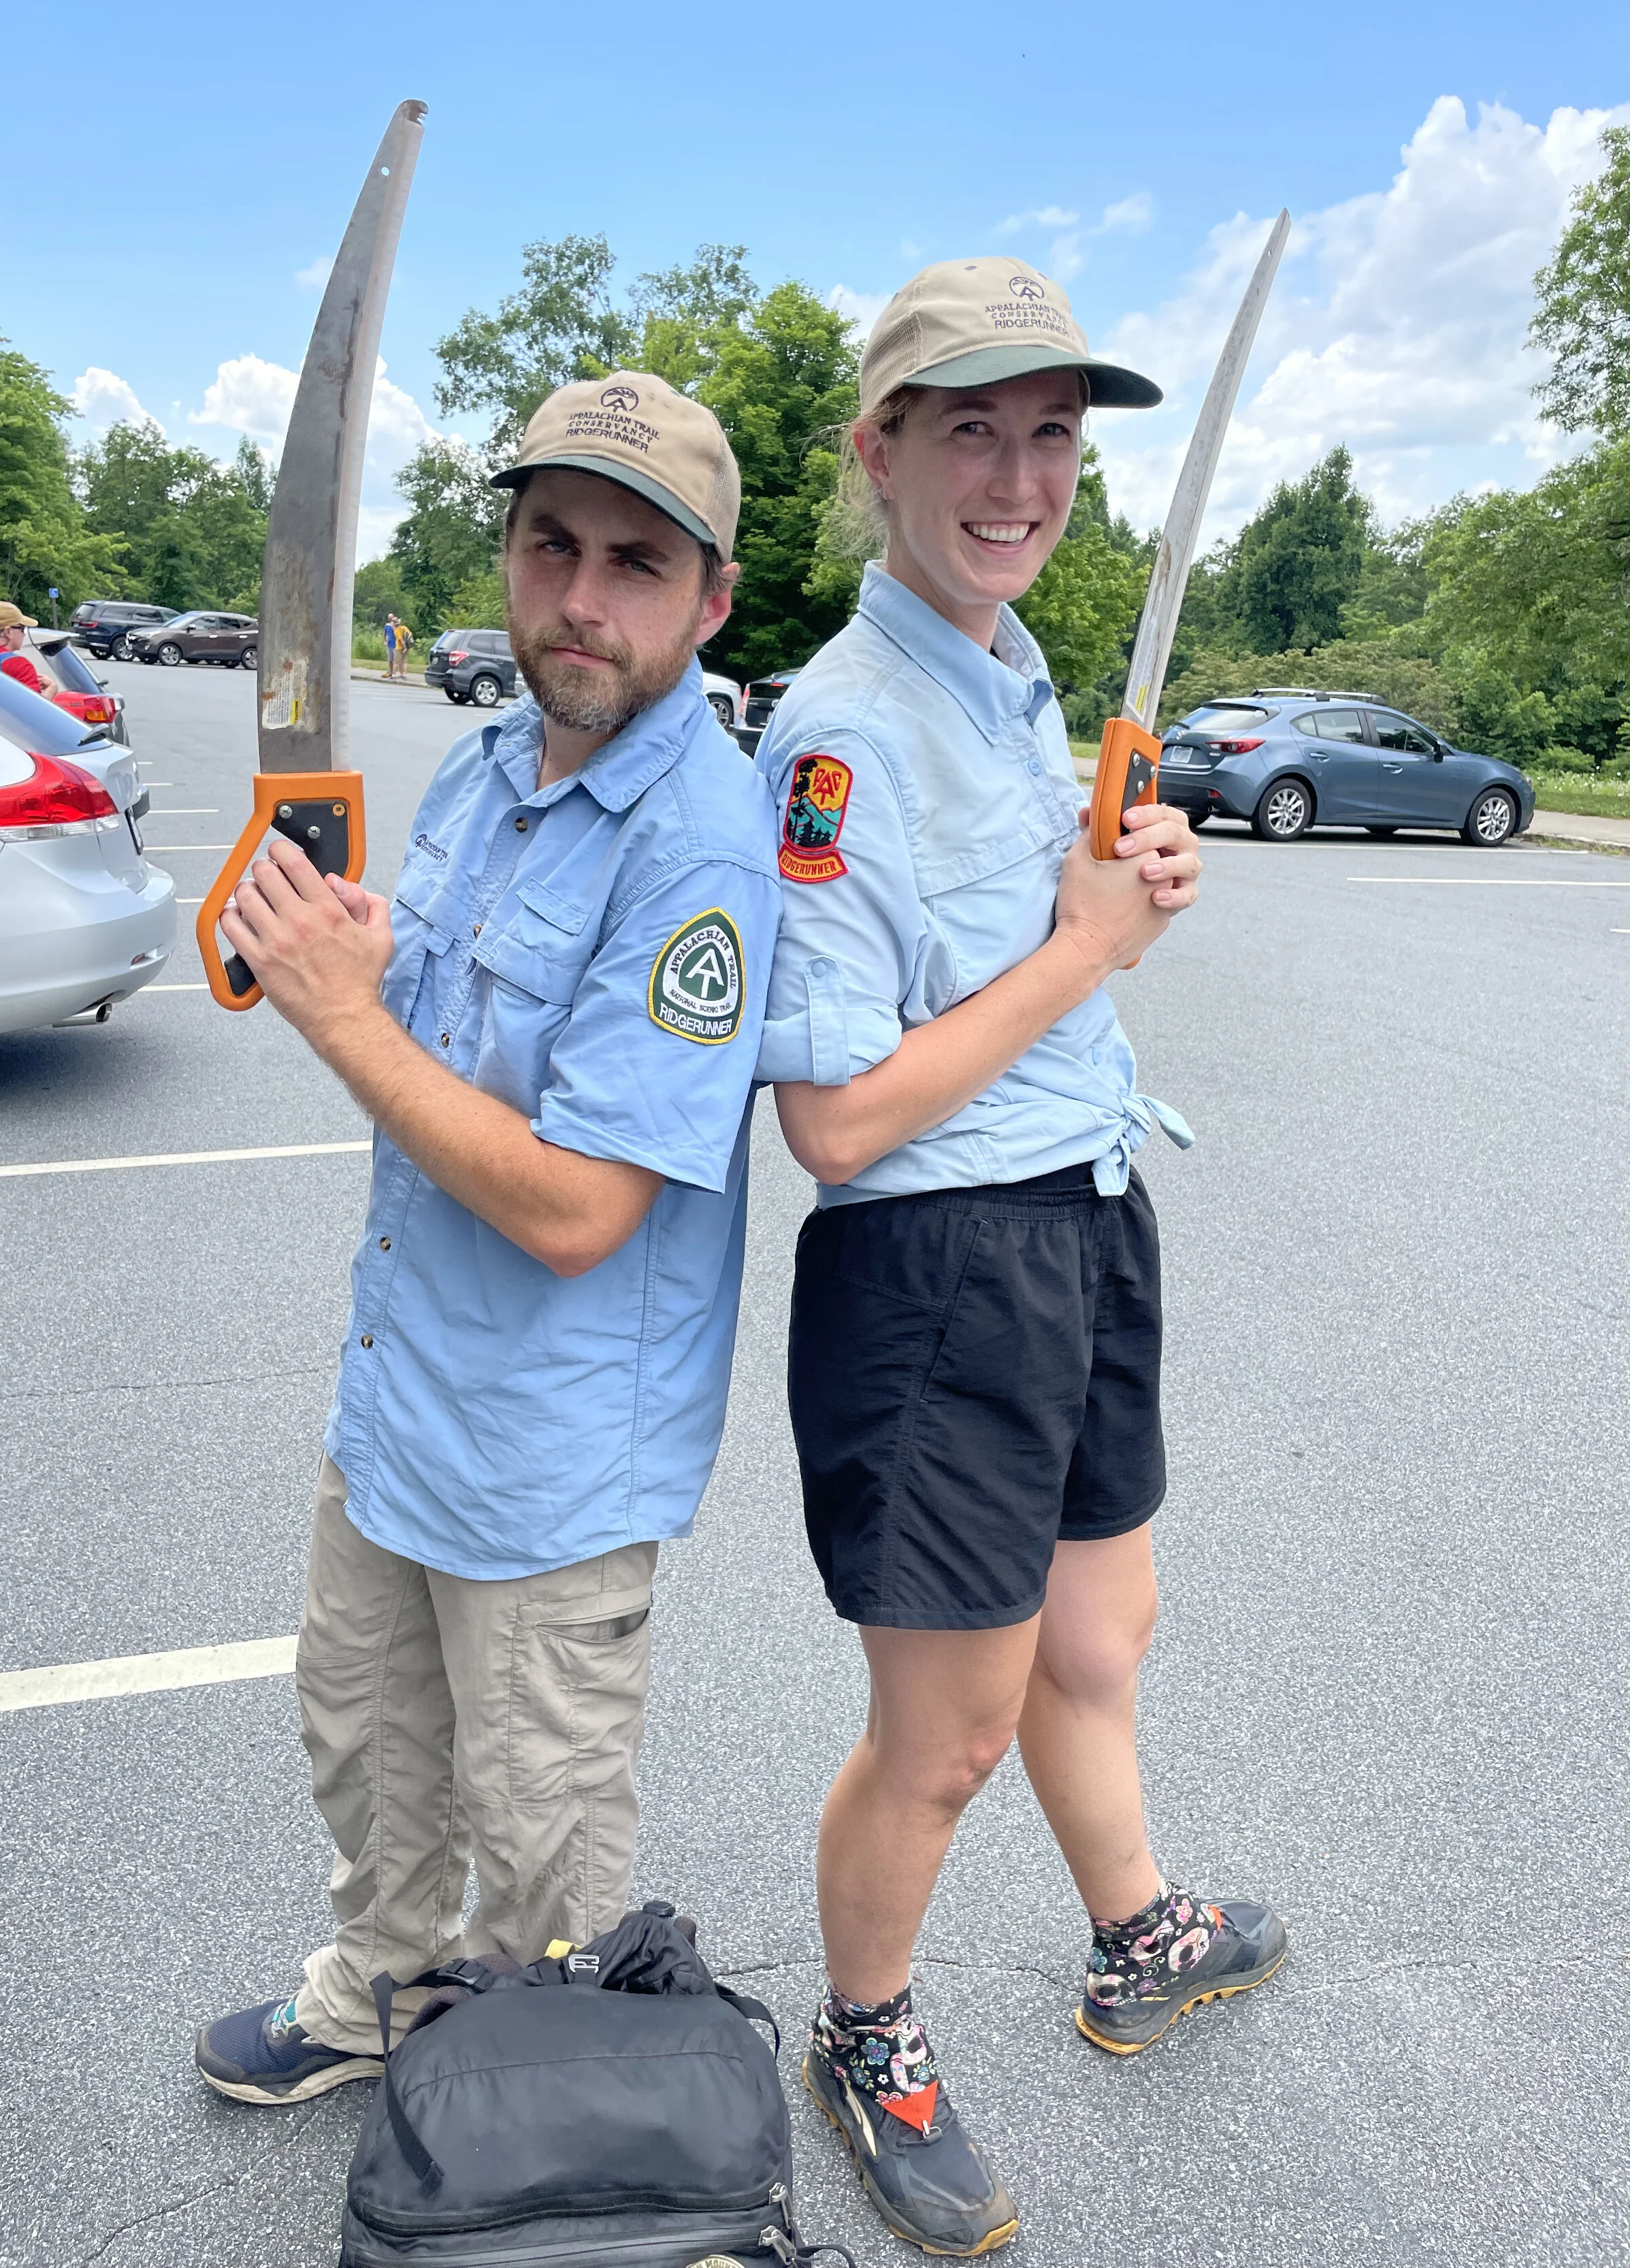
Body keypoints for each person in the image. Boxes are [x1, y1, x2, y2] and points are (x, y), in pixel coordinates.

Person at [754, 258, 1286, 2257]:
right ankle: (866, 2033)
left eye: (1050, 432)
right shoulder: (834, 732)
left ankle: (1130, 1926)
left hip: (1081, 1214)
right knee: (944, 1732)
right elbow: (829, 1117)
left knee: (1094, 1637)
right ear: (875, 446)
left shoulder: (1006, 667)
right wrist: (1082, 949)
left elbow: (1038, 948)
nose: (1016, 473)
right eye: (967, 424)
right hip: (935, 1273)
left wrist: (1111, 893)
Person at [193, 369, 780, 2105]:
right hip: (400, 1406)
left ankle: (528, 2138)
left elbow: (583, 1207)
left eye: (636, 564)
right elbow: (416, 1025)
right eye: (551, 546)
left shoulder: (700, 849)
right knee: (367, 1750)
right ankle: (376, 1999)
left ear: (711, 598)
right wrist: (334, 953)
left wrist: (343, 1020)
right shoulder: (476, 774)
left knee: (539, 1871)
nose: (583, 601)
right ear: (510, 555)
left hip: (546, 1482)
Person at [0, 601, 50, 695]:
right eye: (22, 629)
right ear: (8, 631)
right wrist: (51, 690)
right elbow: (32, 708)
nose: (24, 634)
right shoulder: (21, 666)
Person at [382, 611, 400, 677]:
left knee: (395, 660)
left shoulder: (396, 626)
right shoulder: (387, 625)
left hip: (396, 645)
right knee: (390, 659)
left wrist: (394, 625)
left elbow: (398, 634)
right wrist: (384, 641)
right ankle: (390, 672)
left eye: (392, 618)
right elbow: (384, 633)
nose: (391, 619)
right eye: (390, 618)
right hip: (389, 644)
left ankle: (394, 673)